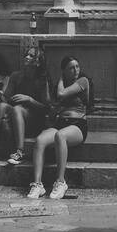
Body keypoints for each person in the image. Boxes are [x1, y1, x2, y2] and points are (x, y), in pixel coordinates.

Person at [27, 56, 91, 200]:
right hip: (60, 123)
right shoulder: (58, 86)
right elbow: (53, 107)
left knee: (60, 136)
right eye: (71, 68)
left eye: (77, 66)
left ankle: (61, 182)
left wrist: (61, 78)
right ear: (64, 70)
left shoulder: (83, 81)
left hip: (77, 124)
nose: (76, 70)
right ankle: (37, 184)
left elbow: (62, 94)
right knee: (40, 140)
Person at [0, 46, 52, 165]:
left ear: (38, 62)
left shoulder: (42, 80)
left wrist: (29, 100)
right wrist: (0, 94)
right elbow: (7, 99)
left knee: (18, 109)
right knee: (2, 106)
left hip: (34, 120)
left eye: (31, 56)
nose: (27, 57)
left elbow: (46, 108)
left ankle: (20, 151)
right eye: (26, 55)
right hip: (15, 116)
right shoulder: (15, 76)